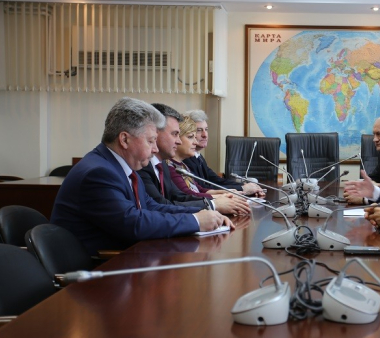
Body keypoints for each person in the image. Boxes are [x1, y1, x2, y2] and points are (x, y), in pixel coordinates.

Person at [51, 97, 234, 256]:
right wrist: (195, 221)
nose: (155, 149)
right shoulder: (99, 174)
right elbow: (133, 223)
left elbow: (152, 207)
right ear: (124, 139)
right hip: (98, 269)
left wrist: (204, 214)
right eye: (150, 141)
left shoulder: (124, 167)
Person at [138, 103, 249, 216]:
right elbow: (160, 206)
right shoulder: (143, 166)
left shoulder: (162, 165)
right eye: (175, 134)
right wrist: (213, 204)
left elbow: (179, 196)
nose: (179, 141)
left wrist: (217, 200)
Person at [166, 115, 251, 216]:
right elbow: (188, 195)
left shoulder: (183, 165)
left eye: (206, 130)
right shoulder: (170, 167)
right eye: (190, 137)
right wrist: (220, 198)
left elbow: (200, 188)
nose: (195, 142)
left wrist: (226, 193)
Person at [183, 109, 264, 196]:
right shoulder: (186, 159)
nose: (205, 135)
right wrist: (242, 188)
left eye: (206, 129)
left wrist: (246, 185)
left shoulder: (198, 156)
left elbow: (216, 180)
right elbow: (204, 187)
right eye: (199, 130)